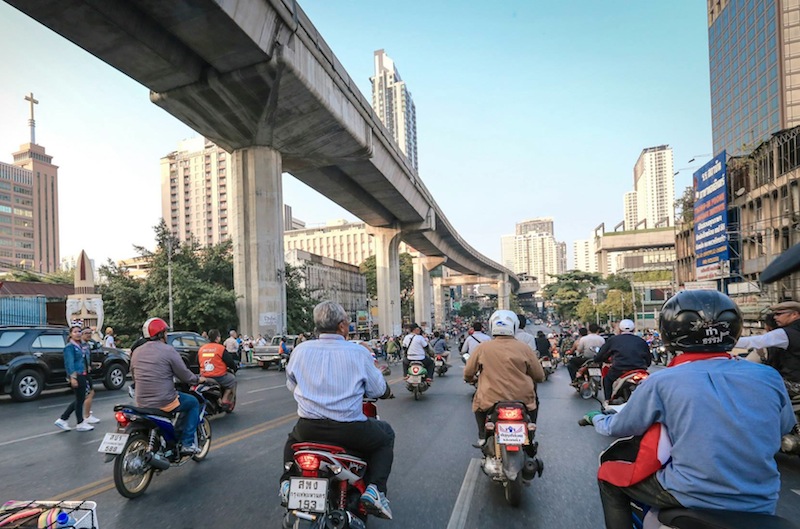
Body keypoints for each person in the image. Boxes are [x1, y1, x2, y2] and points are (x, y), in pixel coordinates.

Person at [582, 290, 796, 529]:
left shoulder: (663, 381)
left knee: (609, 476)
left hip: (690, 493)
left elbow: (620, 426)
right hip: (762, 500)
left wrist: (598, 418)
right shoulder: (768, 376)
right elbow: (783, 426)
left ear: (668, 332)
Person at [280, 301, 395, 519]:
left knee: (291, 442)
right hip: (349, 429)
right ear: (342, 326)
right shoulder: (357, 352)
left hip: (308, 428)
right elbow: (377, 388)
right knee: (386, 435)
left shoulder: (300, 350)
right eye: (348, 323)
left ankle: (286, 483)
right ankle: (376, 490)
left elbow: (291, 384)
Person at [463, 310, 545, 445]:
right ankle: (530, 434)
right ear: (514, 326)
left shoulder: (483, 348)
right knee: (534, 404)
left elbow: (468, 373)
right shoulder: (525, 348)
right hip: (523, 398)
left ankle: (483, 437)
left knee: (478, 406)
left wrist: (471, 379)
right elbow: (539, 376)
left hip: (490, 399)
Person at [131, 317, 209, 454]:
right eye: (165, 332)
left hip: (141, 402)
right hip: (163, 401)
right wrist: (198, 379)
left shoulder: (136, 351)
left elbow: (134, 375)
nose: (166, 335)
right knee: (193, 403)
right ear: (161, 334)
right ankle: (187, 443)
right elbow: (185, 375)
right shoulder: (168, 350)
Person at [735, 301, 800, 387]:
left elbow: (755, 342)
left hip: (793, 384)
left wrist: (726, 341)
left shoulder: (784, 333)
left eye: (779, 314)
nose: (775, 317)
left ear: (794, 314)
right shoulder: (794, 331)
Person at [593, 319, 651, 402]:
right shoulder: (641, 341)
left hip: (619, 370)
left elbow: (600, 356)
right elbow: (648, 360)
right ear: (633, 329)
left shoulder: (613, 340)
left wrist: (600, 359)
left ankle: (607, 402)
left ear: (620, 330)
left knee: (607, 380)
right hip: (640, 370)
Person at [54, 326, 95, 432]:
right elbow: (69, 363)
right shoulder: (70, 347)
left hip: (83, 373)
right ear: (71, 334)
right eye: (75, 332)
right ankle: (79, 423)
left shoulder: (80, 346)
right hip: (77, 374)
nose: (78, 333)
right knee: (80, 399)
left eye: (79, 331)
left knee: (80, 398)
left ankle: (63, 419)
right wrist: (73, 377)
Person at [197, 329, 238, 409]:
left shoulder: (202, 348)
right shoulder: (220, 348)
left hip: (204, 375)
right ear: (217, 338)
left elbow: (197, 362)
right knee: (232, 380)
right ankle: (225, 399)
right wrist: (235, 368)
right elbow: (230, 362)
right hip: (219, 376)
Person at [80, 327, 101, 424]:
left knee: (86, 394)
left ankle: (87, 414)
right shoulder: (80, 345)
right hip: (82, 373)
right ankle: (87, 416)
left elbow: (87, 359)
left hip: (86, 372)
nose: (89, 335)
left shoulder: (87, 345)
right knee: (89, 394)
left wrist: (92, 365)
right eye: (86, 333)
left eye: (90, 333)